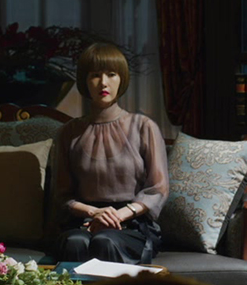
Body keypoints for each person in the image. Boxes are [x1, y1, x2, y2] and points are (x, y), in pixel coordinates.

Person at [53, 42, 169, 265]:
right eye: (95, 75)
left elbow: (158, 188)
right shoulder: (69, 132)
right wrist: (93, 212)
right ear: (85, 81)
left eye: (111, 74)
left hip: (131, 223)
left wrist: (118, 215)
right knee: (75, 242)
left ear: (121, 79)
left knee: (105, 241)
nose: (103, 83)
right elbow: (62, 196)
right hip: (83, 221)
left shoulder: (143, 126)